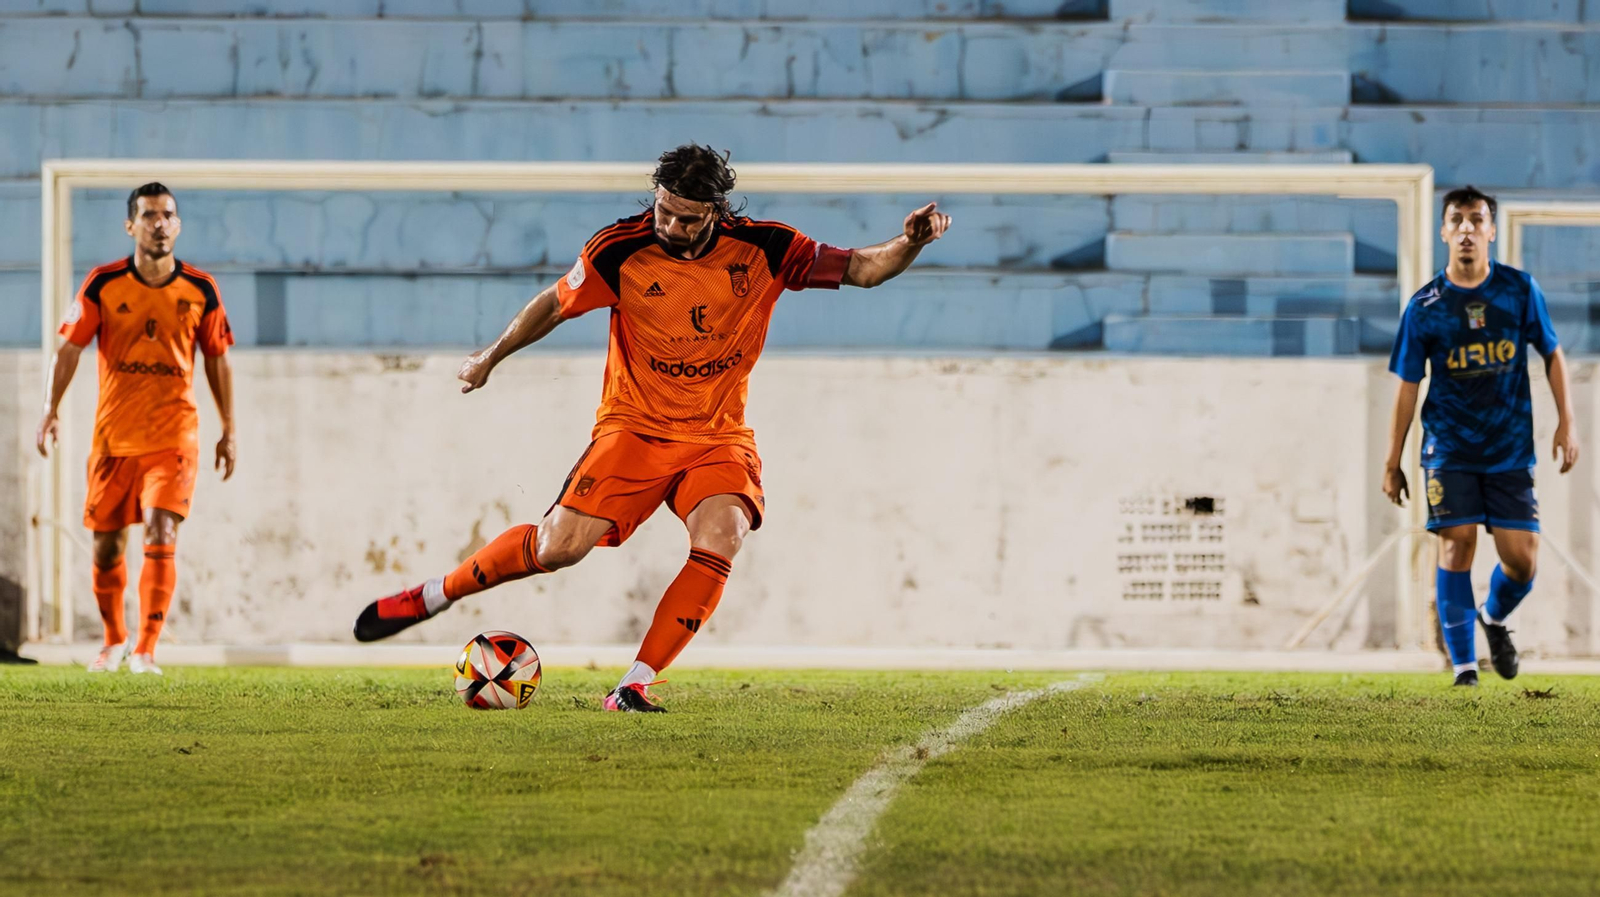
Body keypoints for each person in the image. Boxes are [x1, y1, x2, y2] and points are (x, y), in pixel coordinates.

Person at [354, 144, 952, 711]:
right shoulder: (620, 249)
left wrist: (910, 242)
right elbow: (554, 303)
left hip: (718, 435)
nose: (671, 225)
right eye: (664, 210)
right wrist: (490, 356)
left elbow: (863, 270)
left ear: (716, 212)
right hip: (633, 428)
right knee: (557, 548)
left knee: (724, 533)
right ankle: (438, 592)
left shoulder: (769, 248)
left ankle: (634, 685)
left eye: (687, 218)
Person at [36, 183, 237, 675]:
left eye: (168, 214)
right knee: (106, 547)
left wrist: (228, 428)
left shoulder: (202, 288)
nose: (160, 223)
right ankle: (113, 641)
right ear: (131, 226)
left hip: (174, 436)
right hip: (113, 439)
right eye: (149, 215)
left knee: (161, 530)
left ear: (179, 224)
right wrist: (50, 408)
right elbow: (68, 349)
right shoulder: (102, 284)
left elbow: (217, 358)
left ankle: (146, 649)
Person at [1383, 185, 1579, 686]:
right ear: (1445, 231)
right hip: (1448, 449)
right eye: (1458, 220)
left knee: (1522, 562)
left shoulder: (1518, 290)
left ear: (1491, 231)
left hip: (1510, 450)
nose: (1467, 229)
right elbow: (1407, 386)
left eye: (1477, 220)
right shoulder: (1425, 306)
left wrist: (1567, 421)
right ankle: (1465, 669)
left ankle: (1492, 618)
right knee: (1456, 547)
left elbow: (1552, 352)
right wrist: (1392, 460)